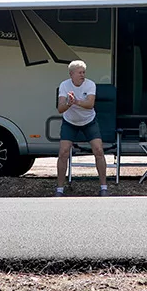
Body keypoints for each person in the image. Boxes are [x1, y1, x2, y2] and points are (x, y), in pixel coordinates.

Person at [55, 60, 109, 196]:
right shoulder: (64, 85)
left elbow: (90, 104)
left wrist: (75, 101)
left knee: (98, 150)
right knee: (63, 152)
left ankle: (104, 187)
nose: (82, 75)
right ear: (71, 74)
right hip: (70, 122)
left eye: (84, 72)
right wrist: (68, 103)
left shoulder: (90, 84)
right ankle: (59, 189)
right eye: (80, 73)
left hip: (88, 121)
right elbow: (60, 108)